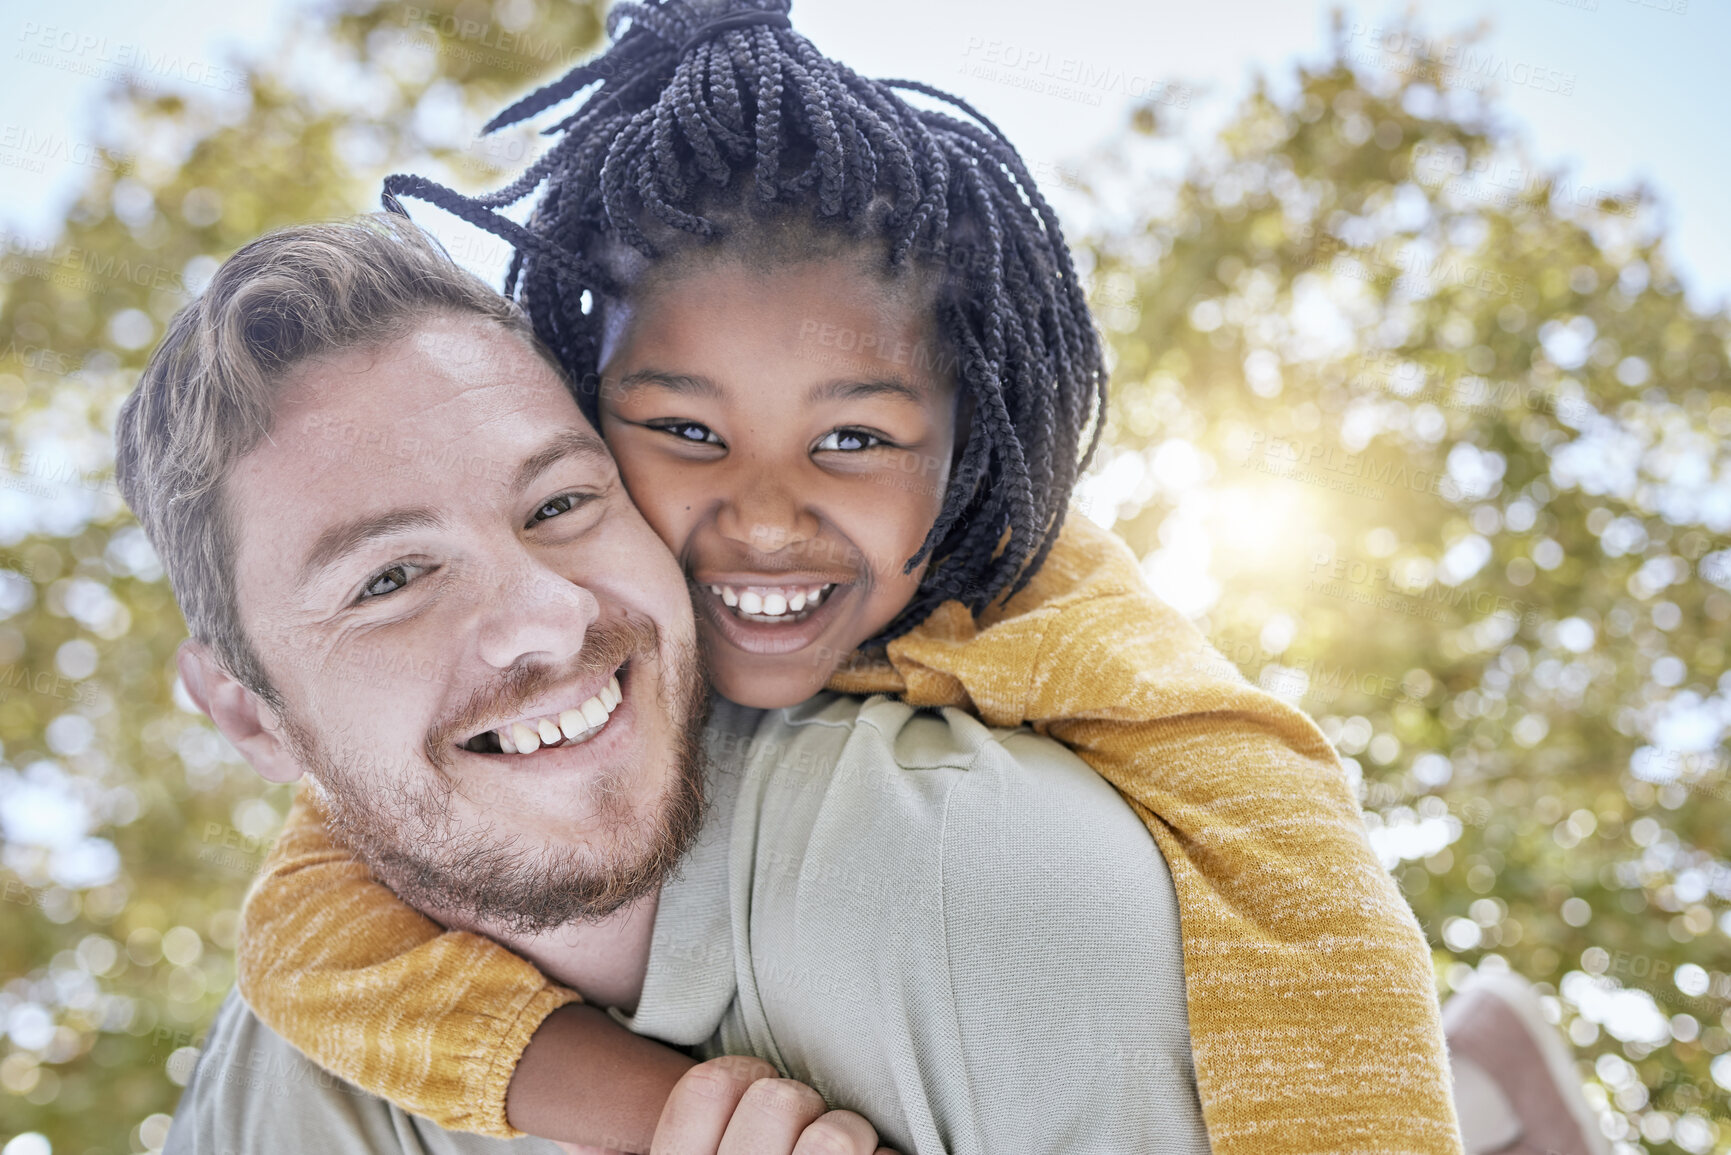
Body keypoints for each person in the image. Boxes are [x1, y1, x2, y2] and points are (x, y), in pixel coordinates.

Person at [223, 1, 1471, 1152]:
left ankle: (1483, 1081)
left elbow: (1301, 885)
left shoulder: (1048, 607)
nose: (766, 520)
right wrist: (666, 1117)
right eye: (689, 434)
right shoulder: (552, 619)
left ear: (963, 448)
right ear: (588, 425)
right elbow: (305, 941)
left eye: (856, 441)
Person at [126, 216, 1209, 1154]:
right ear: (243, 713)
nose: (546, 617)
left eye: (558, 504)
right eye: (392, 579)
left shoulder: (967, 879)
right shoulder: (289, 1067)